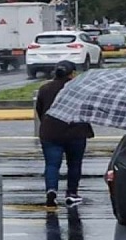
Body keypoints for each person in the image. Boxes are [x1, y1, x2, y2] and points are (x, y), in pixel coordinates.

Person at [35, 60, 94, 207]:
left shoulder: (45, 88)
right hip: (76, 131)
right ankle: (72, 193)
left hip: (50, 132)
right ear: (72, 73)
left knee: (52, 164)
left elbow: (40, 109)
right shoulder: (81, 89)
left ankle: (51, 190)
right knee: (74, 164)